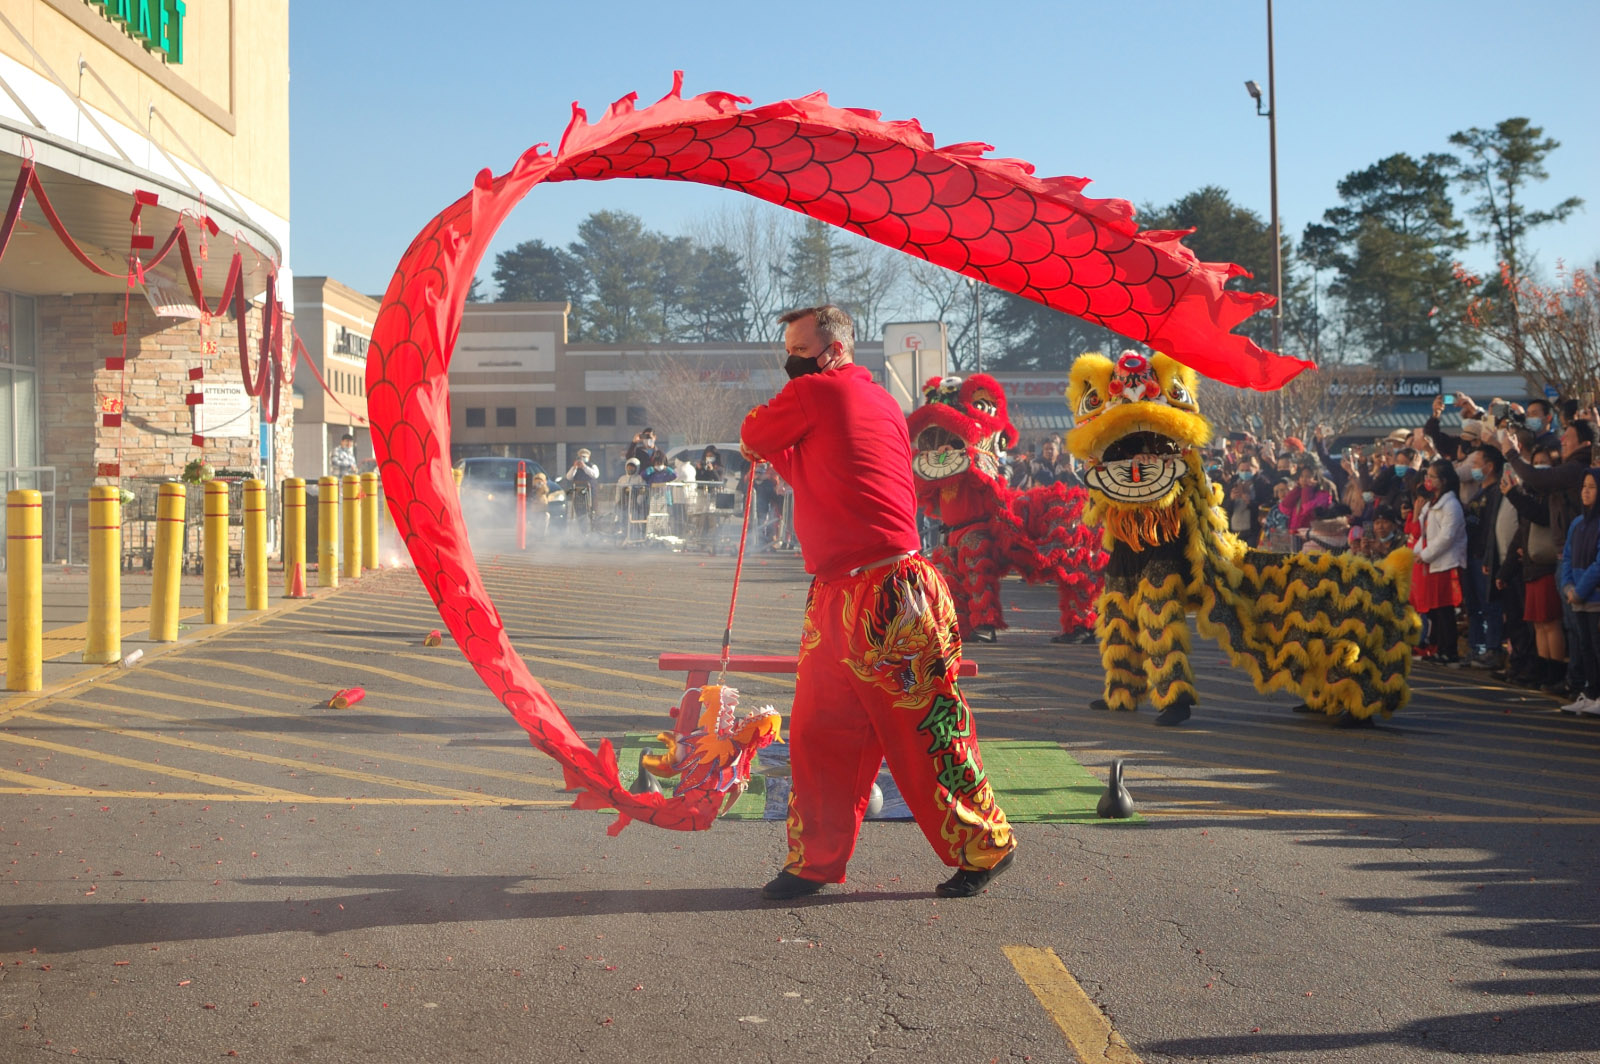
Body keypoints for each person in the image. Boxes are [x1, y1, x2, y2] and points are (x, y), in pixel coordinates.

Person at [740, 304, 1015, 901]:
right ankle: (814, 862)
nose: (791, 359)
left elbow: (753, 433)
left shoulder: (818, 393)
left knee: (922, 732)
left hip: (890, 594)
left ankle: (984, 843)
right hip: (843, 592)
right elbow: (818, 468)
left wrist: (764, 446)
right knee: (819, 733)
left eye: (798, 346)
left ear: (833, 348)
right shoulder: (877, 402)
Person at [1414, 459, 1467, 663]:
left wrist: (1426, 554)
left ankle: (1449, 650)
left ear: (1443, 481)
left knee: (1445, 609)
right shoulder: (1432, 504)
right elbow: (1426, 533)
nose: (1427, 480)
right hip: (1432, 563)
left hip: (1446, 563)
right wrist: (1418, 553)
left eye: (1432, 477)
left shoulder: (1451, 505)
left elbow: (1447, 537)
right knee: (1435, 609)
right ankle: (1439, 647)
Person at [1557, 470, 1600, 713]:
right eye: (1584, 486)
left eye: (1592, 487)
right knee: (1585, 647)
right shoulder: (1578, 523)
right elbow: (1568, 558)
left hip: (1594, 598)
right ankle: (1591, 693)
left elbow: (1598, 564)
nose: (1586, 491)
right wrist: (1568, 586)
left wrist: (1581, 590)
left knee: (1597, 647)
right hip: (1577, 598)